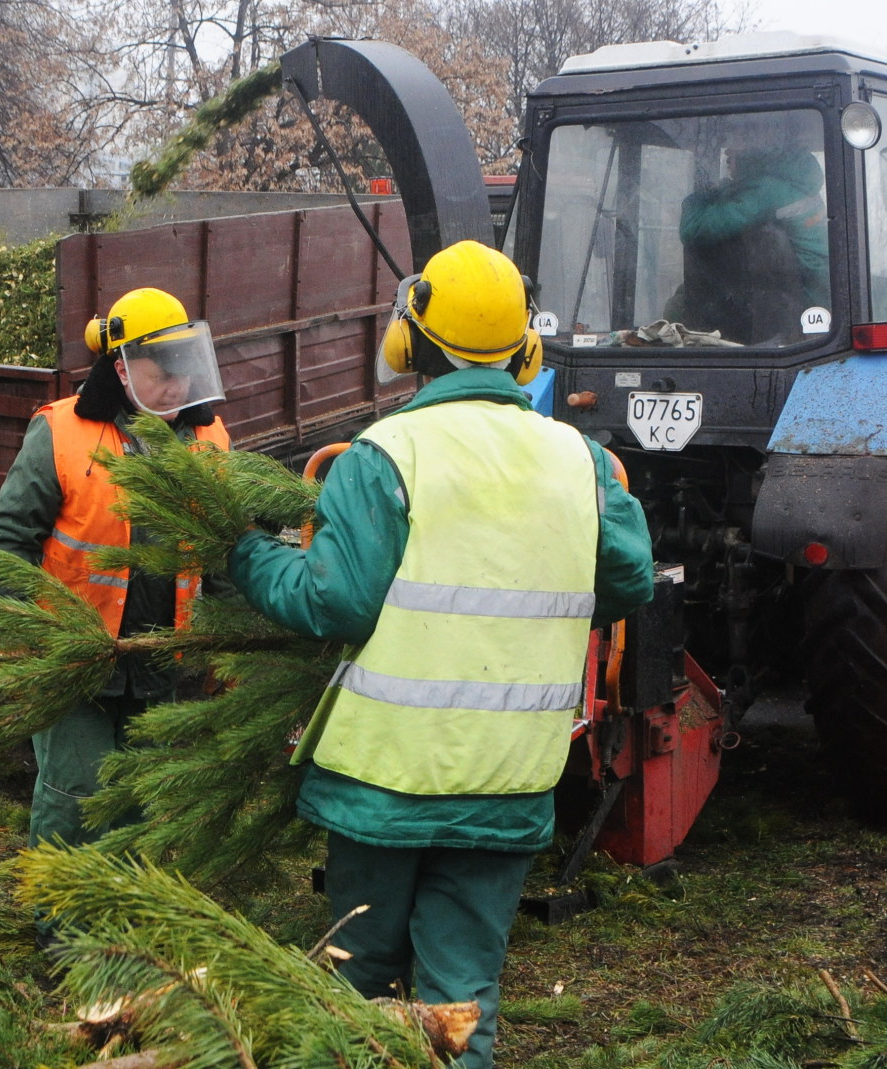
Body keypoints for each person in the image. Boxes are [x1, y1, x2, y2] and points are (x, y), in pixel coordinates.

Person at [226, 241, 654, 1069]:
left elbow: (332, 600)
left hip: (384, 783)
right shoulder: (584, 461)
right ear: (524, 348)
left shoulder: (385, 455)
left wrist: (243, 554)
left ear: (412, 341)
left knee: (360, 987)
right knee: (462, 1000)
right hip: (508, 779)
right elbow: (630, 580)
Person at [0, 286, 229, 893]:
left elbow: (226, 551)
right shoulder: (62, 434)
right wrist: (29, 637)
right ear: (120, 369)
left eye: (184, 371)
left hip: (160, 662)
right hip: (74, 664)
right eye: (160, 374)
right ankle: (63, 925)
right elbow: (9, 542)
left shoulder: (210, 441)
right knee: (77, 794)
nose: (177, 388)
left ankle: (129, 923)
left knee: (144, 799)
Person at [679, 145, 831, 310]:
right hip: (818, 287)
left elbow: (693, 229)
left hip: (801, 296)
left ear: (749, 157)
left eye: (734, 151)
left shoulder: (766, 192)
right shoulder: (794, 185)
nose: (728, 154)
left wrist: (699, 195)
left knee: (679, 307)